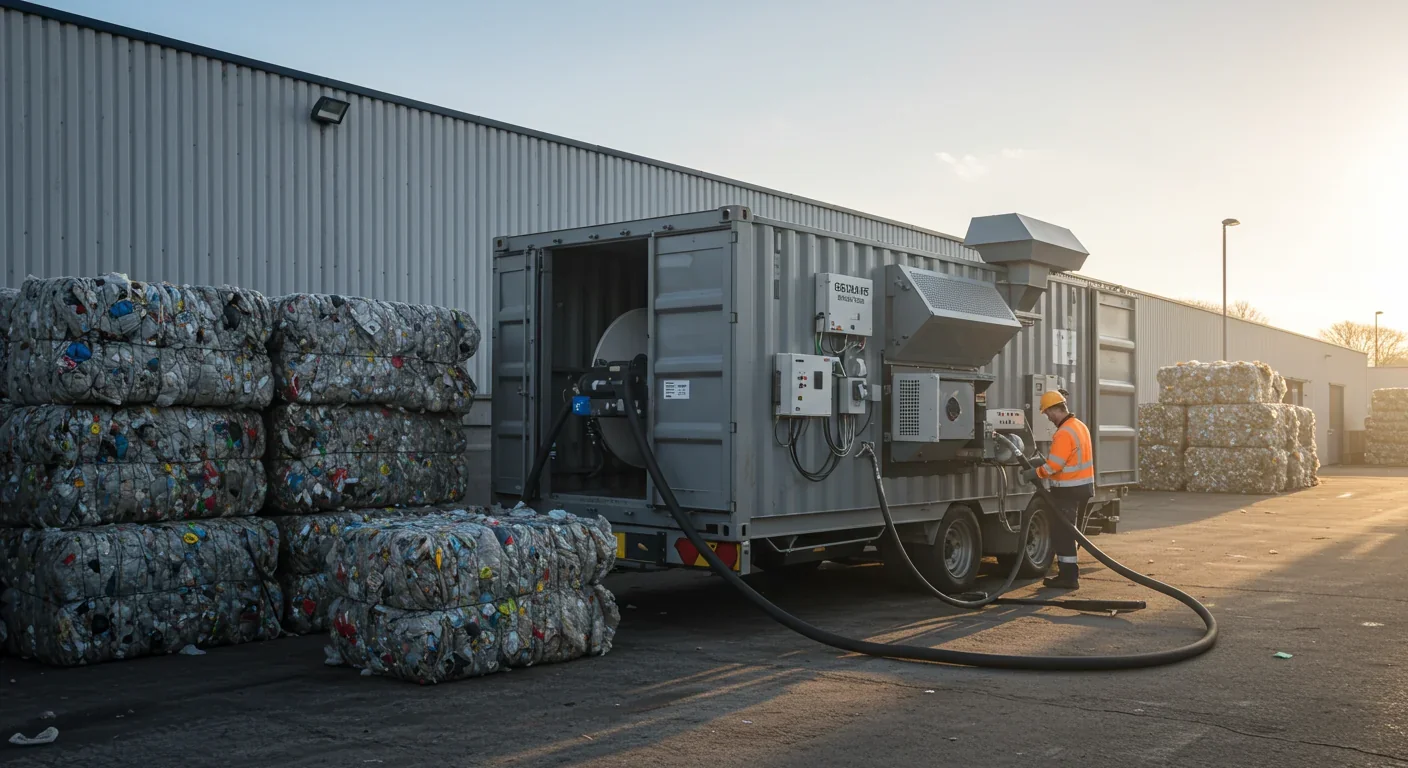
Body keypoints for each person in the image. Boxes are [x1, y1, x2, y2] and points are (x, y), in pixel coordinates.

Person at [1019, 390, 1094, 589]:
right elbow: (1069, 460)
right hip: (1083, 487)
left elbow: (1054, 466)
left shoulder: (1063, 433)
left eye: (1047, 413)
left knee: (1063, 533)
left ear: (1055, 409)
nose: (1048, 418)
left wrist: (1034, 473)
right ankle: (1068, 575)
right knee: (1069, 532)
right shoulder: (1080, 426)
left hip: (1068, 490)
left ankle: (1069, 578)